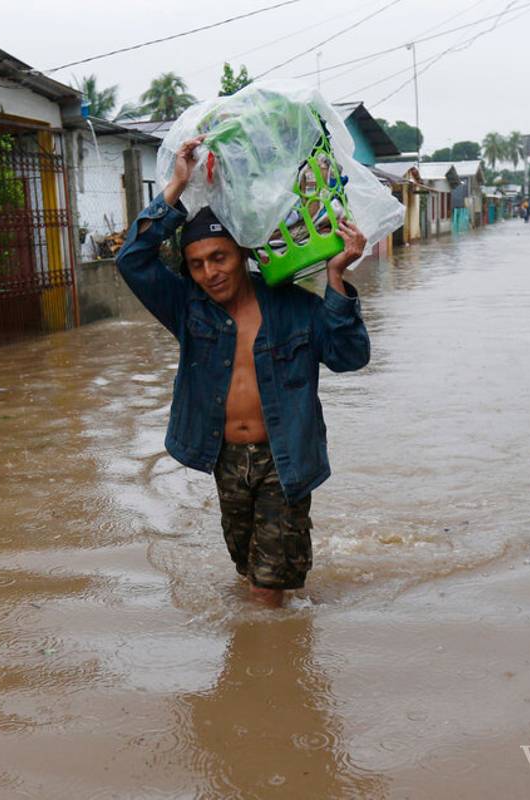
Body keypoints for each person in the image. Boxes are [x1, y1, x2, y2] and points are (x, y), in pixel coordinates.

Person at [116, 135, 370, 608]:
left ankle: (271, 647)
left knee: (265, 587)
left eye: (219, 257)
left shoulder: (296, 306)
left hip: (284, 459)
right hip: (225, 459)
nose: (209, 272)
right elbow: (131, 260)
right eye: (197, 264)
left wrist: (336, 279)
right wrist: (177, 185)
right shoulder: (189, 308)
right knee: (248, 568)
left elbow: (350, 357)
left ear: (242, 255)